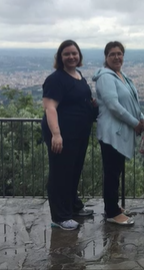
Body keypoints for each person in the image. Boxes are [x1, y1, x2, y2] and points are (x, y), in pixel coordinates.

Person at [41, 40, 95, 231]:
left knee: (73, 171)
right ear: (60, 57)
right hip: (62, 134)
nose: (71, 57)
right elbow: (50, 107)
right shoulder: (56, 79)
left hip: (78, 134)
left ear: (79, 56)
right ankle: (60, 216)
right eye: (67, 54)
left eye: (74, 53)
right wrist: (56, 134)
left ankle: (73, 206)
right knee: (60, 174)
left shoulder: (78, 76)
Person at [92, 41, 144, 226]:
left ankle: (112, 206)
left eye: (119, 54)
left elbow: (131, 103)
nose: (116, 57)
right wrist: (135, 123)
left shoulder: (121, 76)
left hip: (119, 131)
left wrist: (141, 118)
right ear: (106, 57)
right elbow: (114, 106)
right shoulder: (106, 77)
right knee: (112, 173)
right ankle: (112, 212)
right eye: (112, 54)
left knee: (116, 171)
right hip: (111, 132)